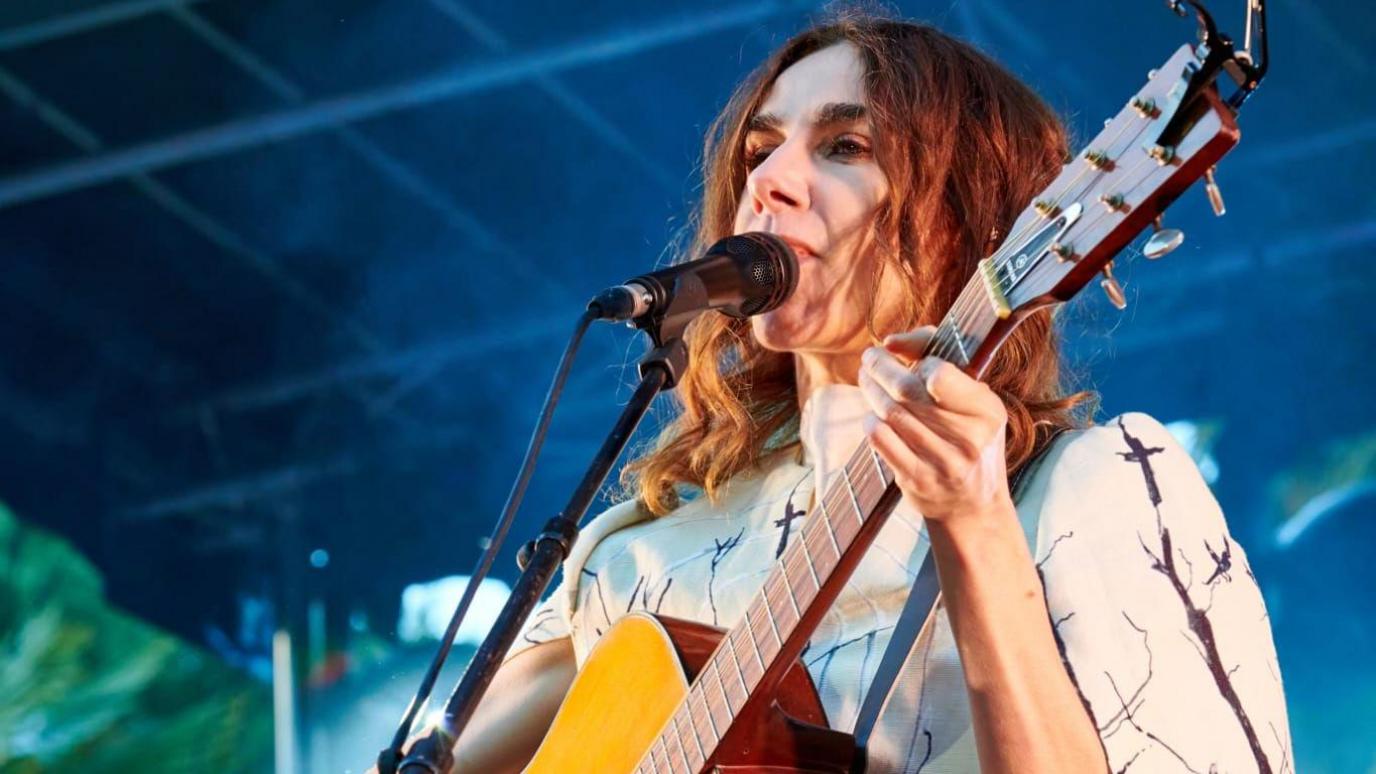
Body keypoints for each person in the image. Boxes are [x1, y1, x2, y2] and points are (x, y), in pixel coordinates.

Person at [432, 13, 1291, 773]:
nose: (768, 182)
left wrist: (972, 525)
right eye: (760, 151)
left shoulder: (1090, 489)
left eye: (846, 146)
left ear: (975, 220)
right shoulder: (643, 557)